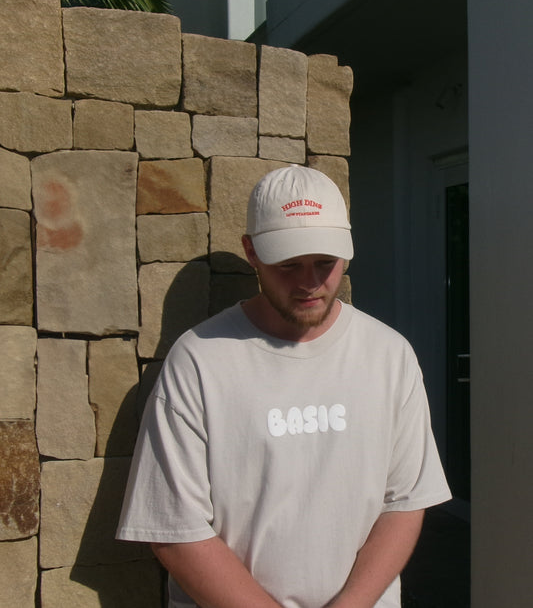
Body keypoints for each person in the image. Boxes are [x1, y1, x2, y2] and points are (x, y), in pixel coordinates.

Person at [117, 165, 451, 608]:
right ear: (251, 252)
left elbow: (405, 501)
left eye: (325, 262)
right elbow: (175, 529)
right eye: (289, 264)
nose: (309, 283)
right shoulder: (200, 360)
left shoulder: (389, 355)